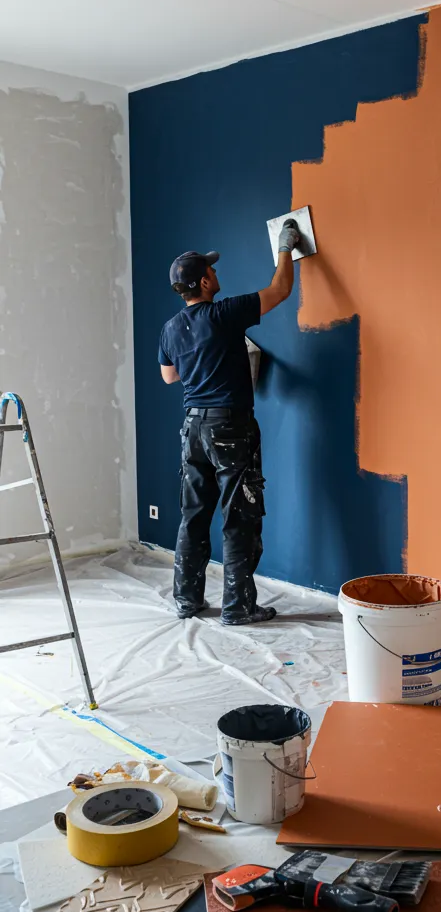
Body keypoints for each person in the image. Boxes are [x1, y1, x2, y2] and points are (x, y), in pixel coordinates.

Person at [158, 220, 300, 624]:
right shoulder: (224, 313)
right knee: (239, 514)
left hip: (193, 429)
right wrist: (286, 248)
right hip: (230, 427)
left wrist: (201, 358)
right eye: (213, 270)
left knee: (194, 514)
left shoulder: (171, 328)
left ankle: (187, 600)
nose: (217, 274)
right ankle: (238, 607)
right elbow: (280, 290)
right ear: (204, 282)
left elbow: (170, 376)